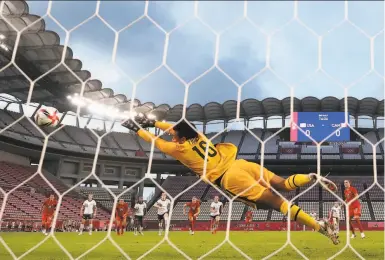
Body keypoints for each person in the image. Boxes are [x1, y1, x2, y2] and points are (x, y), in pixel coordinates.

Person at [122, 118, 339, 244]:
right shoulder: (198, 135)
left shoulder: (178, 149)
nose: (171, 135)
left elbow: (155, 141)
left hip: (229, 178)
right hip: (240, 163)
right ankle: (311, 177)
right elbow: (174, 127)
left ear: (179, 137)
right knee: (281, 184)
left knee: (276, 202)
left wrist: (138, 128)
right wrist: (154, 121)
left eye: (173, 134)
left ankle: (321, 228)